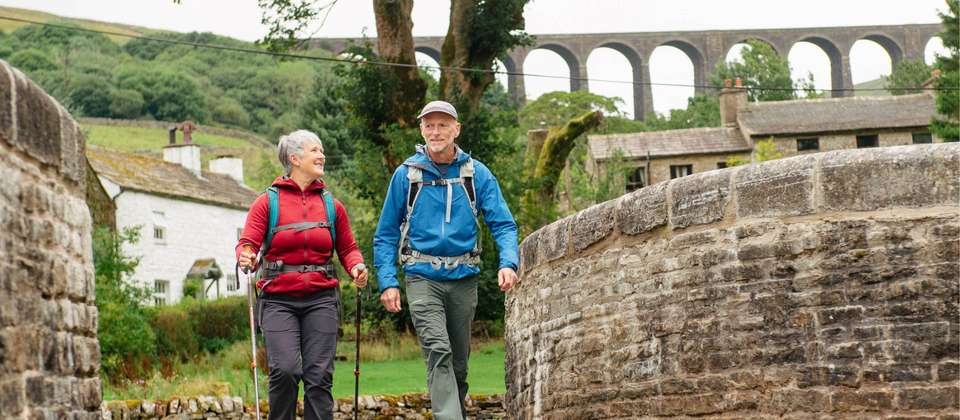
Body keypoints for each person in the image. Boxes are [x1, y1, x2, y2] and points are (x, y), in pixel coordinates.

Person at [373, 100, 519, 420]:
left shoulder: (475, 174)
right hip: (421, 276)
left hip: (464, 276)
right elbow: (385, 235)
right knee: (438, 351)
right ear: (421, 129)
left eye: (442, 125)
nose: (435, 131)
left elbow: (504, 224)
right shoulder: (406, 175)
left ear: (456, 129)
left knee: (459, 364)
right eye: (429, 125)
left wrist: (508, 262)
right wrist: (388, 281)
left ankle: (455, 413)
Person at [236, 129, 368, 420]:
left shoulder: (332, 205)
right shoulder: (266, 203)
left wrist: (357, 266)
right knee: (285, 370)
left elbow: (348, 248)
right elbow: (248, 243)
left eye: (321, 150)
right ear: (294, 159)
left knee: (319, 376)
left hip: (321, 299)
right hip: (278, 301)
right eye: (314, 150)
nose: (322, 155)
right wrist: (245, 255)